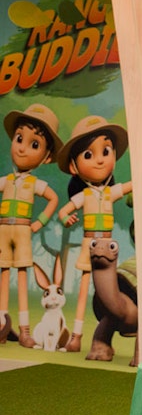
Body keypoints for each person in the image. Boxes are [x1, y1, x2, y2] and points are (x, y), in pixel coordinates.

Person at [56, 115, 133, 353]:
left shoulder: (110, 193)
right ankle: (76, 336)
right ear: (73, 166)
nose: (99, 161)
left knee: (108, 287)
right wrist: (66, 218)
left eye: (105, 151)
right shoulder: (84, 196)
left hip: (108, 244)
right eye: (89, 155)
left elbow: (133, 184)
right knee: (84, 290)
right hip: (89, 243)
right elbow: (64, 211)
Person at [1, 104, 62, 348]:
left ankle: (25, 331)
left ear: (46, 156)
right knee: (3, 277)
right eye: (19, 139)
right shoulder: (6, 181)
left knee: (23, 278)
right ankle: (3, 327)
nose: (23, 148)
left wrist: (39, 222)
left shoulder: (35, 183)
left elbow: (54, 198)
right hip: (4, 230)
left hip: (24, 230)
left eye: (34, 144)